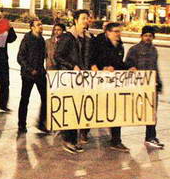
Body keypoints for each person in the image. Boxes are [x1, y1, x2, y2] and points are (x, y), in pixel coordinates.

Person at [54, 9, 93, 154]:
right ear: (76, 20)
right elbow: (58, 56)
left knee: (79, 109)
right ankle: (68, 141)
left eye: (87, 18)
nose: (86, 21)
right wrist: (72, 66)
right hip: (70, 78)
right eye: (83, 18)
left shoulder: (87, 37)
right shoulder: (68, 37)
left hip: (83, 78)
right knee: (70, 109)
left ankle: (74, 139)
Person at [91, 22, 131, 152]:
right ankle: (84, 133)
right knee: (93, 109)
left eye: (119, 31)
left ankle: (116, 140)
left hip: (113, 83)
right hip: (100, 83)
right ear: (108, 32)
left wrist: (128, 67)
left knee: (116, 110)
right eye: (116, 31)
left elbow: (119, 63)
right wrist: (102, 68)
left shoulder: (119, 45)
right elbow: (92, 60)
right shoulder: (98, 43)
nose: (118, 34)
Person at [125, 25, 164, 149]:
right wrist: (131, 68)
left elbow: (155, 67)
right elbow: (127, 63)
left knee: (152, 112)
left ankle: (150, 137)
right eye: (145, 35)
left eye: (150, 36)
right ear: (141, 36)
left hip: (151, 85)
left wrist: (158, 82)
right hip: (139, 85)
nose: (147, 38)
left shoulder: (154, 50)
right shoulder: (134, 49)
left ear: (153, 37)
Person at [17, 19, 48, 134]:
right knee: (25, 99)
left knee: (46, 98)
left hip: (40, 73)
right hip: (28, 75)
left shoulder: (41, 39)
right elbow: (20, 57)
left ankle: (41, 122)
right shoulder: (27, 39)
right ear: (32, 27)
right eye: (38, 25)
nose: (41, 26)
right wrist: (30, 69)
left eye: (41, 24)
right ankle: (21, 125)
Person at [0, 12, 17, 112]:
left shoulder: (4, 30)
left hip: (2, 60)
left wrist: (10, 28)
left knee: (5, 83)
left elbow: (12, 39)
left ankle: (3, 105)